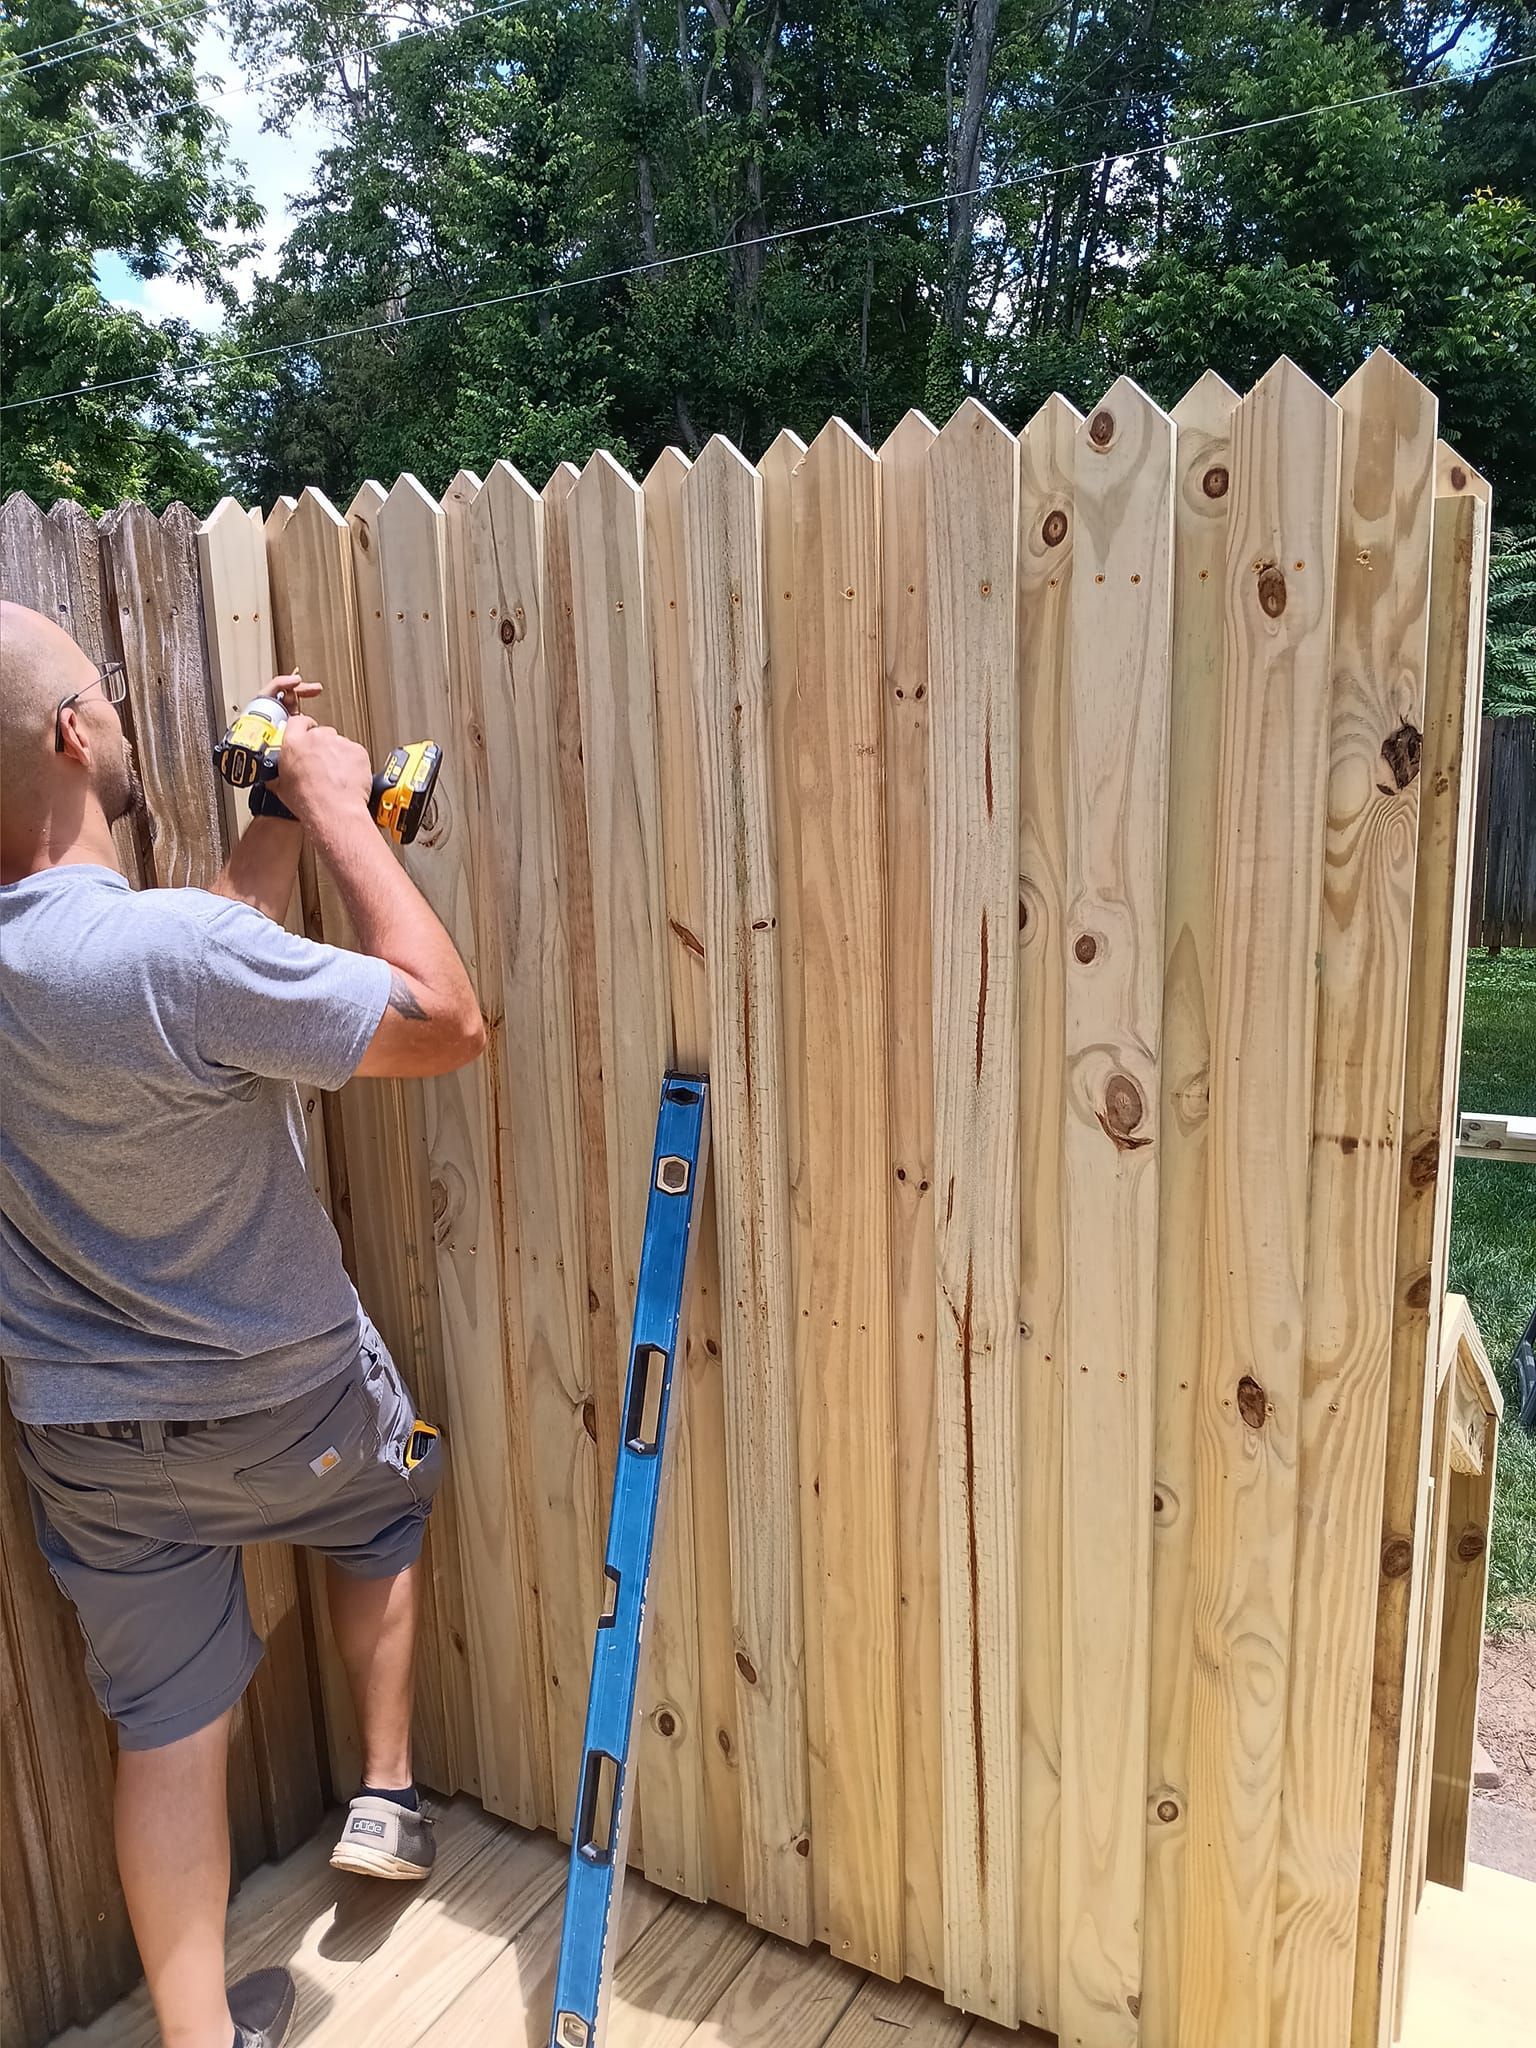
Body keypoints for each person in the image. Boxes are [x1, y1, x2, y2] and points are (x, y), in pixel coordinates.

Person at [0, 601, 486, 2048]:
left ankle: (200, 2040)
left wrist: (264, 816)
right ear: (75, 736)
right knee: (386, 1508)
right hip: (293, 1410)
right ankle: (387, 1793)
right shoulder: (162, 954)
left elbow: (208, 980)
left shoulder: (136, 956)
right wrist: (341, 812)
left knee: (163, 1729)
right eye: (111, 693)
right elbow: (441, 1019)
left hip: (89, 1450)